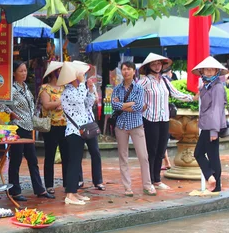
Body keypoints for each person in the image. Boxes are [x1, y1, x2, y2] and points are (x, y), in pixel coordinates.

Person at [138, 53, 196, 190]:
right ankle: (149, 180)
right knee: (151, 150)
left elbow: (176, 94)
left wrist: (192, 98)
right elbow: (135, 92)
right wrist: (140, 105)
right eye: (153, 64)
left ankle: (157, 180)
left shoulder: (164, 80)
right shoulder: (145, 81)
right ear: (148, 66)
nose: (157, 66)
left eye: (159, 64)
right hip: (150, 119)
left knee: (161, 149)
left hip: (164, 119)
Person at [0, 61, 53, 201]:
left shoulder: (26, 88)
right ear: (14, 73)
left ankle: (39, 189)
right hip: (17, 128)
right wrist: (10, 112)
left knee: (33, 159)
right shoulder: (11, 89)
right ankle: (14, 191)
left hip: (28, 127)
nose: (24, 73)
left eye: (25, 70)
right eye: (20, 71)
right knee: (16, 160)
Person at [60, 62, 103, 205]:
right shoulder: (68, 92)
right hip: (74, 131)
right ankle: (69, 194)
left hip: (83, 128)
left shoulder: (78, 89)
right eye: (80, 74)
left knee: (77, 161)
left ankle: (73, 193)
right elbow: (78, 100)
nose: (83, 76)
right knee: (74, 162)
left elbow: (88, 104)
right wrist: (84, 84)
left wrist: (90, 89)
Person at [112, 62, 157, 197]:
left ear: (133, 72)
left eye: (128, 69)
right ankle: (127, 187)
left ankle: (147, 185)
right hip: (121, 125)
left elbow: (138, 107)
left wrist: (122, 105)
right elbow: (114, 105)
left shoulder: (138, 88)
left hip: (136, 125)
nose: (126, 72)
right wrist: (128, 104)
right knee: (123, 156)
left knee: (143, 156)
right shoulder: (117, 88)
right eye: (123, 69)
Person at [193, 57, 229, 192]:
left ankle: (213, 180)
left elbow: (217, 109)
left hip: (212, 126)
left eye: (211, 69)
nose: (208, 72)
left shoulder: (218, 87)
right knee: (203, 154)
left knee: (207, 154)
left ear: (216, 71)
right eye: (206, 69)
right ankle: (214, 182)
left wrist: (214, 131)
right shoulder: (207, 86)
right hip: (206, 125)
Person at [39, 61, 67, 195]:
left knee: (66, 155)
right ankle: (49, 184)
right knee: (49, 155)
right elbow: (46, 104)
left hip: (65, 124)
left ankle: (68, 182)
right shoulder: (45, 88)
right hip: (50, 125)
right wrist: (59, 102)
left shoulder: (65, 87)